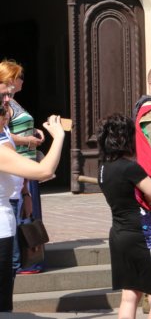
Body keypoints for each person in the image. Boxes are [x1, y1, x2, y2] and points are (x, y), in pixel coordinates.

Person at [97, 113, 151, 319]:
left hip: (119, 233)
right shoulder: (130, 167)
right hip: (142, 235)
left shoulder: (103, 169)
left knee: (130, 294)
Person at [0, 96, 64, 311]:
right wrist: (59, 136)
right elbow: (44, 171)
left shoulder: (3, 137)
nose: (7, 117)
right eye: (3, 111)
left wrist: (25, 193)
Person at [0, 60, 45, 274]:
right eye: (18, 77)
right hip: (16, 164)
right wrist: (28, 141)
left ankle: (25, 260)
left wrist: (33, 132)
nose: (21, 82)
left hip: (24, 165)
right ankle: (20, 262)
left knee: (24, 212)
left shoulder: (12, 102)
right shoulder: (4, 105)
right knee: (17, 214)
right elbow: (5, 134)